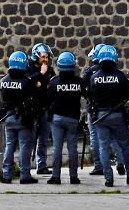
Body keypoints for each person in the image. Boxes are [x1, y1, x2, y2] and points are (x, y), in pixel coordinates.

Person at [88, 45, 129, 187]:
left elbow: (91, 96)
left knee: (103, 147)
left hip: (101, 116)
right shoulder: (120, 76)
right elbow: (128, 89)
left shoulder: (94, 77)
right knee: (124, 145)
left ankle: (108, 178)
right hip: (117, 114)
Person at [0, 51, 41, 184]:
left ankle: (6, 175)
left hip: (8, 117)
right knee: (24, 147)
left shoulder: (3, 81)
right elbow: (34, 98)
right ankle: (24, 175)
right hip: (23, 119)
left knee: (9, 146)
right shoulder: (27, 82)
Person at [83, 44, 124, 176]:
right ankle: (120, 162)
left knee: (97, 139)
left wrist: (88, 97)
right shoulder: (114, 71)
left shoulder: (90, 71)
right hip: (114, 108)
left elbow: (82, 86)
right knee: (115, 138)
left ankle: (99, 165)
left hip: (95, 110)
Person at [46, 52, 83, 185]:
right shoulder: (79, 82)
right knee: (72, 148)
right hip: (73, 119)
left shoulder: (54, 82)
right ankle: (74, 176)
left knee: (57, 148)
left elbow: (48, 98)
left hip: (57, 118)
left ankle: (56, 176)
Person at [27, 42, 53, 175]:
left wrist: (39, 84)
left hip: (45, 107)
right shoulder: (28, 68)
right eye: (43, 57)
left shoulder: (50, 70)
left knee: (44, 139)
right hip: (32, 108)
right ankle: (25, 167)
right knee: (30, 138)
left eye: (47, 57)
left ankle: (41, 165)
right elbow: (28, 83)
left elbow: (51, 86)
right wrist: (39, 76)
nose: (45, 60)